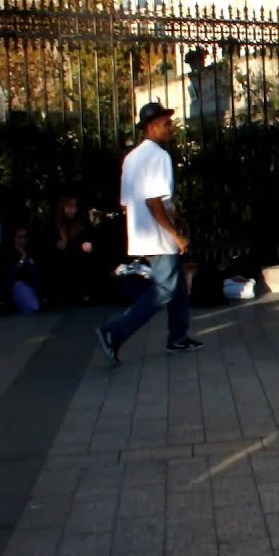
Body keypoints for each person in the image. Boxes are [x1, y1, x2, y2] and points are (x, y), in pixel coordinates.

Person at [96, 102, 203, 364]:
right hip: (158, 235)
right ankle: (114, 332)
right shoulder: (159, 157)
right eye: (167, 124)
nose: (171, 128)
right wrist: (175, 234)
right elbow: (154, 202)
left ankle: (178, 336)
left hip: (140, 233)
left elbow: (126, 202)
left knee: (175, 284)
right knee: (164, 289)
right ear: (153, 127)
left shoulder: (131, 157)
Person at [46, 195, 100, 306]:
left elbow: (90, 236)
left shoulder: (82, 221)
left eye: (75, 207)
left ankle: (85, 294)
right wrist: (58, 244)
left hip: (78, 254)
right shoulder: (55, 223)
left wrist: (88, 243)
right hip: (63, 256)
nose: (73, 210)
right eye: (70, 207)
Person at [6, 226, 43, 314]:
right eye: (19, 237)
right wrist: (23, 257)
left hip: (33, 285)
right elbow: (12, 273)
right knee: (33, 308)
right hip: (19, 285)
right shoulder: (10, 253)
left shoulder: (32, 250)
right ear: (14, 239)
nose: (22, 240)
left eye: (25, 237)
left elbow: (35, 270)